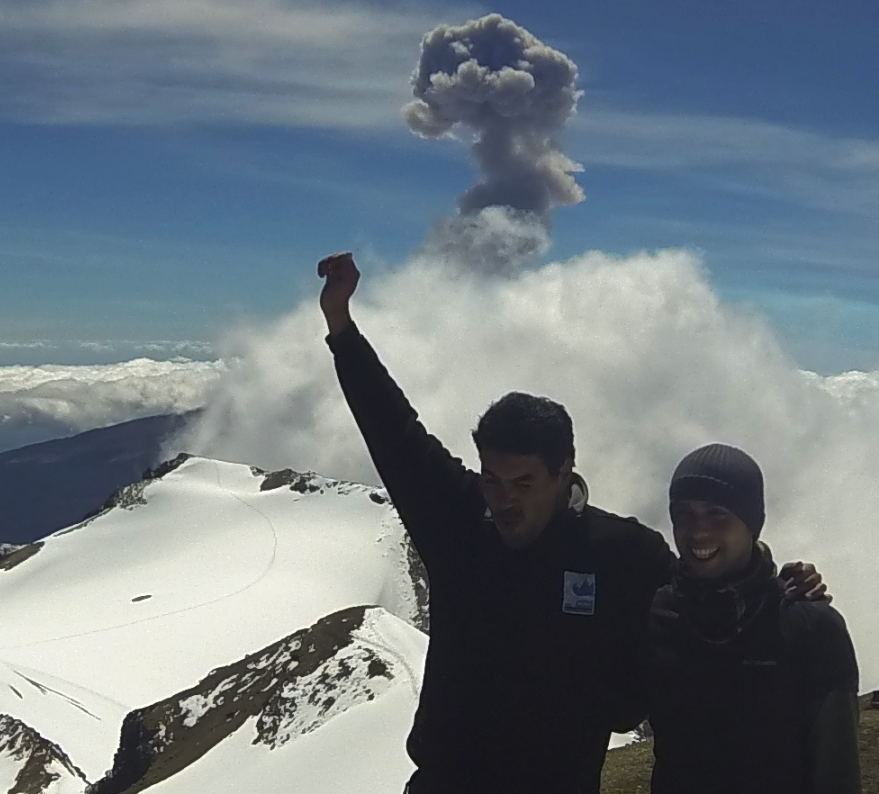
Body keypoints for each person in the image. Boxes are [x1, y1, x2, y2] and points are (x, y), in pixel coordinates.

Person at [316, 252, 827, 794]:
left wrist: (779, 590)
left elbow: (708, 594)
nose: (502, 499)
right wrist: (340, 325)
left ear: (564, 475)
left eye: (523, 483)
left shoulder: (621, 552)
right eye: (492, 478)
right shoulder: (459, 521)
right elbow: (393, 431)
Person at [646, 443, 860, 794]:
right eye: (684, 513)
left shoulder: (811, 626)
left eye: (718, 513)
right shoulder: (659, 612)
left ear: (753, 524)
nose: (698, 531)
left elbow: (838, 772)